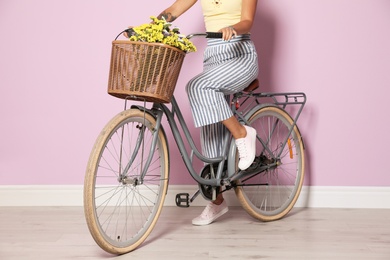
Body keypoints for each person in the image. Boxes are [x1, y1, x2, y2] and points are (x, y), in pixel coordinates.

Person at [157, 0, 259, 225]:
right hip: (213, 59)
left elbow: (247, 21)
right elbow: (173, 11)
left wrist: (234, 28)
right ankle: (217, 202)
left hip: (240, 54)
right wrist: (151, 27)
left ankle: (242, 133)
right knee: (211, 133)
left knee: (197, 86)